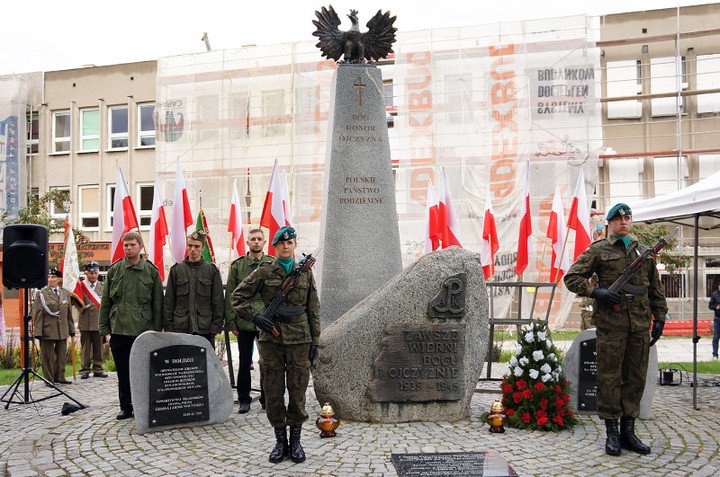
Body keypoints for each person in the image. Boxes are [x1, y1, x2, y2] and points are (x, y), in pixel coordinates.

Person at [565, 203, 667, 456]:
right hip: (612, 325)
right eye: (618, 219)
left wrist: (661, 318)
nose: (624, 222)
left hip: (640, 325)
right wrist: (596, 291)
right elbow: (572, 278)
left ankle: (628, 433)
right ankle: (612, 433)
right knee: (609, 379)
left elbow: (655, 288)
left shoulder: (644, 252)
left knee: (635, 378)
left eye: (628, 218)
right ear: (609, 223)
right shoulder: (598, 250)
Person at [232, 226, 320, 464]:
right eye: (281, 243)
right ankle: (280, 443)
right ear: (275, 246)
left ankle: (297, 442)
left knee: (298, 392)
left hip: (300, 341)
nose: (285, 246)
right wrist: (256, 317)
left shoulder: (305, 273)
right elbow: (237, 297)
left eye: (290, 243)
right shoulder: (264, 271)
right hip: (272, 340)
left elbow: (313, 309)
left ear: (294, 246)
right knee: (273, 393)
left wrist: (316, 341)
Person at [99, 231, 163, 420]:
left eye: (132, 245)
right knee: (123, 372)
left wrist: (157, 332)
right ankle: (126, 406)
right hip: (119, 329)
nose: (128, 248)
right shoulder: (114, 270)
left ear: (140, 246)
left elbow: (157, 304)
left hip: (143, 330)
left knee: (145, 371)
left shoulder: (151, 271)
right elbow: (105, 302)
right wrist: (104, 328)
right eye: (125, 245)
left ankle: (145, 406)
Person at [225, 228, 273, 414]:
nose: (256, 242)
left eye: (259, 239)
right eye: (252, 239)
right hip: (244, 320)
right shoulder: (238, 266)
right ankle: (244, 398)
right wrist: (232, 321)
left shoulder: (271, 264)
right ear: (247, 242)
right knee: (244, 362)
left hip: (265, 321)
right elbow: (230, 293)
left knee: (266, 361)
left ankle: (266, 398)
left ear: (264, 242)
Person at [163, 230, 224, 346]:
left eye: (197, 246)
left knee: (204, 362)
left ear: (203, 248)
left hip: (204, 327)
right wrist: (168, 326)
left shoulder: (211, 270)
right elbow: (169, 300)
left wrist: (216, 325)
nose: (192, 249)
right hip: (181, 326)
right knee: (181, 362)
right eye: (190, 245)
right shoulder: (176, 270)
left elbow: (218, 300)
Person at [32, 268, 75, 385]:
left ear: (59, 279)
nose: (50, 280)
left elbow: (68, 313)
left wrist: (71, 329)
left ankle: (60, 377)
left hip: (62, 329)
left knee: (61, 355)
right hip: (48, 330)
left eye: (53, 277)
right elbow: (38, 314)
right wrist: (37, 332)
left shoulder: (65, 293)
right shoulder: (41, 294)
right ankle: (49, 379)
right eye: (49, 277)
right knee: (48, 357)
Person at [78, 262, 108, 379]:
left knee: (98, 347)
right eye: (91, 273)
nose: (93, 276)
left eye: (95, 273)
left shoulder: (102, 286)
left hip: (98, 322)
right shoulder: (80, 286)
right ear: (86, 273)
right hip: (85, 322)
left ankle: (98, 368)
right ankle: (84, 369)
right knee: (85, 348)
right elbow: (75, 302)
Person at [709, 280, 720, 360]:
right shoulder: (714, 294)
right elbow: (710, 306)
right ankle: (715, 354)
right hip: (718, 318)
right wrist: (716, 307)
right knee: (716, 337)